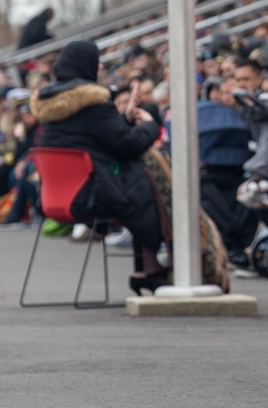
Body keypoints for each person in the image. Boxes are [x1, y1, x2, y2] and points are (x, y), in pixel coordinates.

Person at [30, 40, 169, 294]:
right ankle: (149, 268)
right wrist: (149, 125)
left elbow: (98, 136)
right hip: (94, 194)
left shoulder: (51, 102)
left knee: (136, 179)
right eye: (97, 61)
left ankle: (148, 268)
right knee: (145, 181)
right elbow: (126, 146)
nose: (101, 65)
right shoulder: (92, 101)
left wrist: (124, 120)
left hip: (59, 196)